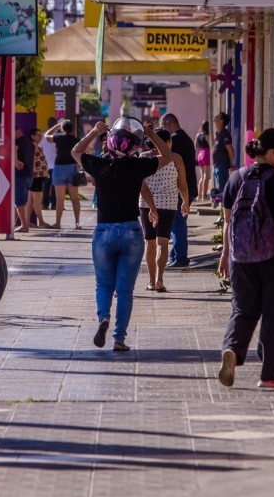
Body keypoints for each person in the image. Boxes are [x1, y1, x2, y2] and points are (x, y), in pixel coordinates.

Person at [217, 128, 274, 389]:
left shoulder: (235, 179)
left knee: (243, 310)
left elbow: (228, 223)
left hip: (241, 257)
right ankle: (268, 375)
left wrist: (225, 254)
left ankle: (232, 350)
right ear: (272, 152)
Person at [73, 118, 172, 352]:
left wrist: (94, 132)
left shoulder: (98, 164)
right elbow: (167, 156)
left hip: (104, 232)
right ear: (134, 146)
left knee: (103, 284)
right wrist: (150, 133)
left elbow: (75, 151)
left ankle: (104, 317)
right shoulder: (138, 166)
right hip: (131, 231)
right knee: (125, 290)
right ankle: (119, 338)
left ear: (110, 142)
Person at [138, 129, 190, 293]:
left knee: (150, 242)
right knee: (163, 242)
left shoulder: (143, 157)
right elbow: (182, 184)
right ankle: (160, 280)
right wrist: (185, 201)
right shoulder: (175, 158)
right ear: (167, 142)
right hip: (168, 204)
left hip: (146, 204)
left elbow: (141, 185)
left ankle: (151, 281)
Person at [159, 113, 197, 268]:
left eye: (162, 126)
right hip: (187, 187)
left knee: (177, 223)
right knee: (177, 223)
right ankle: (176, 255)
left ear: (168, 123)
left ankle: (180, 257)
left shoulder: (175, 139)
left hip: (182, 188)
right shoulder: (185, 138)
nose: (162, 130)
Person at [45, 119, 82, 229]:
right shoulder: (76, 140)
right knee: (74, 198)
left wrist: (56, 126)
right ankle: (77, 223)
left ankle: (58, 223)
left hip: (59, 169)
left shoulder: (59, 138)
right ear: (72, 129)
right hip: (72, 168)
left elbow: (47, 136)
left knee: (59, 199)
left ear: (62, 128)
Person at [28, 129, 55, 229]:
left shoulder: (36, 146)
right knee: (37, 201)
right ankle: (41, 221)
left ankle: (27, 221)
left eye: (41, 135)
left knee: (31, 201)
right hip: (37, 176)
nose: (40, 137)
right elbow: (32, 159)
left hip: (37, 176)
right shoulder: (33, 146)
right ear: (32, 136)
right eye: (38, 135)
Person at [13, 127, 35, 233]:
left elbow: (13, 150)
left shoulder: (16, 142)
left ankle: (24, 225)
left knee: (19, 202)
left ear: (17, 131)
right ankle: (13, 223)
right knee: (19, 201)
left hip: (19, 175)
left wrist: (16, 162)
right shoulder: (30, 143)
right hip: (29, 175)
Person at [211, 112, 235, 197]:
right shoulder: (219, 134)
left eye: (218, 117)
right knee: (220, 189)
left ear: (221, 121)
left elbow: (230, 151)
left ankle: (224, 205)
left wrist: (231, 165)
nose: (216, 117)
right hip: (217, 166)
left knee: (223, 190)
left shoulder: (225, 134)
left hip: (222, 166)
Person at [41, 117, 58, 210]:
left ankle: (45, 204)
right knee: (55, 185)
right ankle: (54, 204)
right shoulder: (58, 136)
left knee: (46, 186)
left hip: (46, 164)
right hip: (57, 164)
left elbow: (40, 148)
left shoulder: (43, 135)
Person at [196, 121, 212, 201]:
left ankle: (199, 195)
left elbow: (196, 146)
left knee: (202, 176)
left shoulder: (198, 135)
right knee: (207, 176)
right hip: (206, 153)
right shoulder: (207, 135)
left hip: (200, 154)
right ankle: (204, 195)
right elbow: (210, 145)